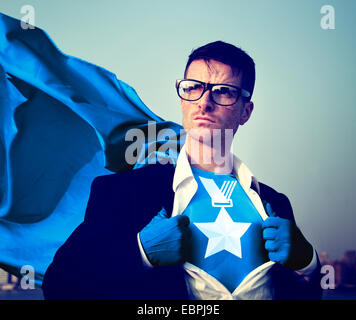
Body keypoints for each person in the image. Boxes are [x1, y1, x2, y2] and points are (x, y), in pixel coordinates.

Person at [42, 41, 322, 300]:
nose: (204, 102)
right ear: (182, 98)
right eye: (193, 87)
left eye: (223, 91)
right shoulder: (122, 192)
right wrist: (140, 253)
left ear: (245, 111)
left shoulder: (275, 203)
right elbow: (59, 286)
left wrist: (307, 262)